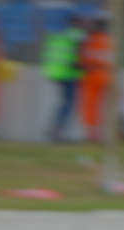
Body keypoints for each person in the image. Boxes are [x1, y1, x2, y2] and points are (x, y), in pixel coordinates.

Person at [43, 13, 86, 142]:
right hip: (68, 73)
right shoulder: (77, 35)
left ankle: (54, 128)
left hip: (56, 73)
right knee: (68, 103)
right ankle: (57, 130)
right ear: (77, 23)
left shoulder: (61, 35)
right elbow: (79, 55)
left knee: (64, 102)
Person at [80, 16, 113, 139]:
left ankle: (92, 134)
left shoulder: (90, 41)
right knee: (105, 106)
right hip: (106, 75)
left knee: (91, 106)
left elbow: (84, 61)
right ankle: (107, 134)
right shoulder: (109, 41)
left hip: (92, 75)